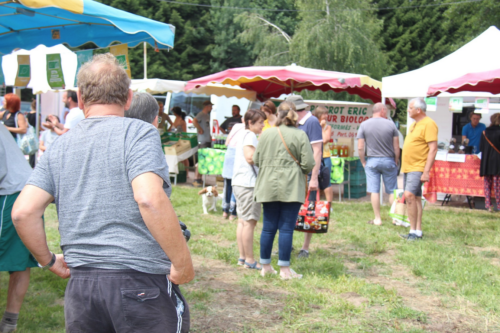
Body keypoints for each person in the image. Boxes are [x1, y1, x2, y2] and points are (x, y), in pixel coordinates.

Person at [12, 53, 194, 333]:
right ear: (129, 97)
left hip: (82, 288)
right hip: (140, 281)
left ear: (81, 98)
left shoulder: (60, 145)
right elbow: (148, 198)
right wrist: (182, 264)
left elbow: (23, 212)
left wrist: (48, 261)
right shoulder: (138, 133)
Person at [254, 101, 315, 279]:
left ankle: (265, 267)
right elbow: (309, 163)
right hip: (292, 185)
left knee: (268, 227)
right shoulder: (300, 135)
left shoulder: (266, 134)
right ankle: (285, 270)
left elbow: (256, 160)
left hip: (268, 184)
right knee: (286, 228)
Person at [0, 124, 37, 333]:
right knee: (20, 262)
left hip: (11, 193)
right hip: (24, 189)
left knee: (18, 260)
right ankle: (9, 323)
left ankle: (8, 323)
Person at [285, 95, 322, 259]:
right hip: (292, 174)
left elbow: (317, 151)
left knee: (309, 210)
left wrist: (314, 177)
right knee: (288, 210)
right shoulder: (294, 122)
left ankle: (305, 248)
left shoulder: (312, 121)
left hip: (307, 174)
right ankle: (288, 243)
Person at [232, 109, 266, 270]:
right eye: (260, 122)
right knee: (249, 223)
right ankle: (250, 260)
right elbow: (250, 157)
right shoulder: (250, 136)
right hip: (248, 184)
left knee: (242, 221)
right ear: (250, 122)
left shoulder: (243, 134)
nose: (263, 125)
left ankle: (242, 257)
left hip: (240, 182)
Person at [400, 98, 438, 241]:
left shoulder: (429, 124)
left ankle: (413, 231)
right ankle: (416, 231)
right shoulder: (414, 125)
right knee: (414, 198)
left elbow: (433, 149)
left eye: (410, 108)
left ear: (418, 110)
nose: (408, 110)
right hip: (409, 167)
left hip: (418, 167)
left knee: (409, 195)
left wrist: (426, 171)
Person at [357, 103, 400, 225]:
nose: (386, 113)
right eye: (386, 110)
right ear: (382, 110)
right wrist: (396, 160)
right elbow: (396, 146)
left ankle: (377, 219)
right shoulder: (391, 124)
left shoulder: (364, 124)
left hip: (372, 161)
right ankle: (395, 218)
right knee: (392, 190)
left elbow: (360, 147)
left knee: (374, 190)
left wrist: (363, 161)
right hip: (388, 160)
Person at [221, 122, 245, 221]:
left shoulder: (236, 126)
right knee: (236, 186)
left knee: (228, 186)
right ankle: (233, 212)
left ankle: (225, 211)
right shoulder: (249, 131)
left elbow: (227, 142)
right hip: (239, 157)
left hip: (229, 156)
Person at [312, 106, 334, 203]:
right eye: (324, 114)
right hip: (315, 156)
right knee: (314, 179)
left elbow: (325, 139)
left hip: (325, 156)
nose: (326, 116)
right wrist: (319, 126)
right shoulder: (313, 125)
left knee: (326, 181)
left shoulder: (327, 127)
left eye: (326, 113)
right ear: (318, 115)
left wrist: (321, 128)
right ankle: (316, 203)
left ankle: (329, 204)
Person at [479, 113, 500, 212]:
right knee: (497, 185)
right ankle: (499, 205)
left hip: (486, 162)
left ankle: (488, 205)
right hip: (498, 162)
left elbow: (481, 148)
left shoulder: (484, 132)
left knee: (487, 184)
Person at [192, 100, 213, 187]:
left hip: (207, 139)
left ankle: (200, 179)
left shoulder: (207, 116)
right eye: (211, 106)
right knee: (201, 159)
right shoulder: (201, 114)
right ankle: (196, 178)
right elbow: (194, 121)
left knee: (204, 160)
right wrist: (200, 129)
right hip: (202, 140)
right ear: (207, 106)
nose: (212, 108)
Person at [26, 100, 42, 168]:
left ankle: (30, 163)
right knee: (35, 148)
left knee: (31, 148)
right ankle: (33, 163)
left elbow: (27, 124)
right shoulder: (38, 114)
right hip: (35, 132)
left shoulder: (28, 114)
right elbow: (38, 125)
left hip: (30, 132)